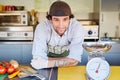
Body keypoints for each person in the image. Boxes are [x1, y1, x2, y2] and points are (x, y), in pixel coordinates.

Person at [31, 1, 84, 69]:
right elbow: (37, 61)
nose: (61, 25)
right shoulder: (42, 28)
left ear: (70, 19)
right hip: (48, 69)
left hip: (67, 68)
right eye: (56, 20)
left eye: (65, 19)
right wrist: (67, 60)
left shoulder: (76, 27)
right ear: (50, 19)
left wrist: (46, 62)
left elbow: (74, 60)